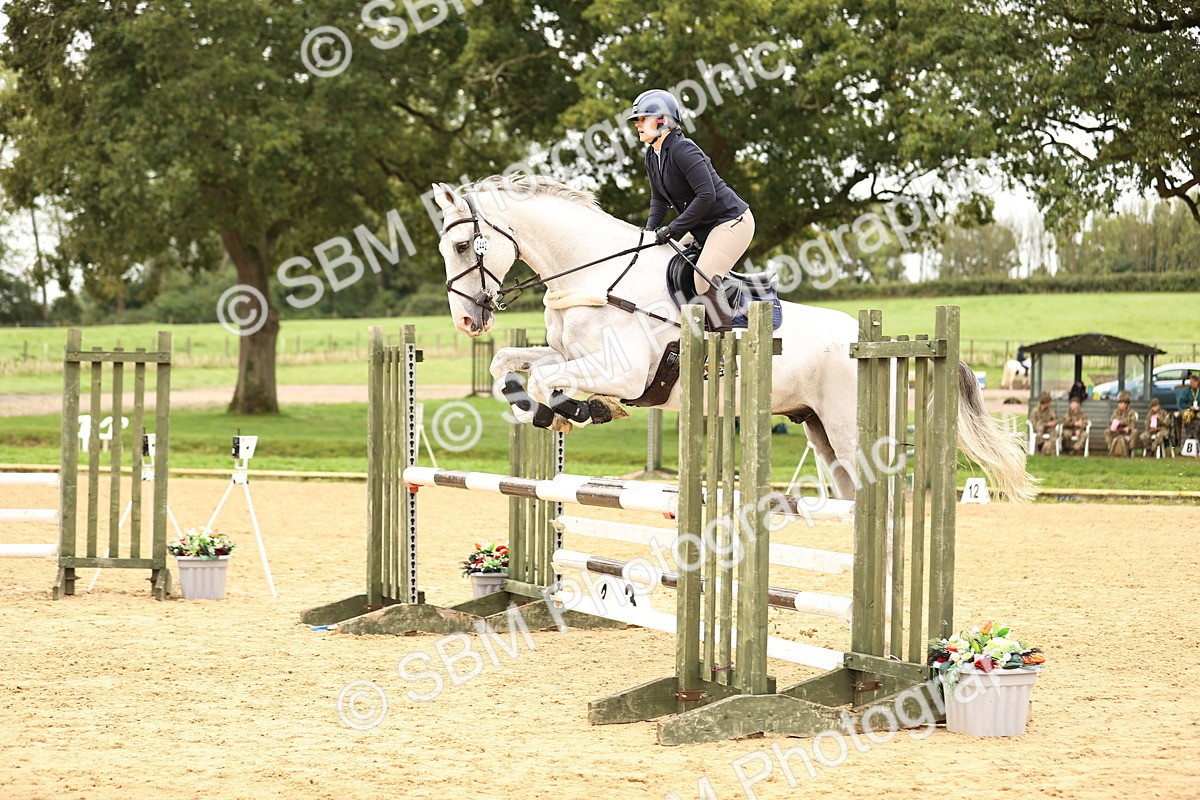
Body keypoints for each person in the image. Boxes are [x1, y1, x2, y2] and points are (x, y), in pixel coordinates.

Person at [630, 88, 754, 331]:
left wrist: (673, 229)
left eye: (643, 118)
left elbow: (706, 195)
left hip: (732, 222)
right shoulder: (652, 155)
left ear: (662, 120)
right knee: (666, 264)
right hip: (702, 228)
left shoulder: (683, 149)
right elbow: (658, 201)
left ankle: (723, 348)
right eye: (637, 120)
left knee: (703, 277)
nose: (638, 125)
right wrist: (648, 234)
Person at [1105, 390, 1137, 457]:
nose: (1119, 405)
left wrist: (1129, 428)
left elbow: (1133, 424)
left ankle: (1130, 450)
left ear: (1126, 404)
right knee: (1106, 431)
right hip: (1117, 430)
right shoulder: (1115, 412)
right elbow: (1111, 421)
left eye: (1121, 403)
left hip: (1127, 431)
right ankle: (1111, 448)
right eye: (1119, 403)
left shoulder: (1131, 413)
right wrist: (1113, 427)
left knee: (1134, 432)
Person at [1177, 372, 1200, 442]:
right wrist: (1189, 407)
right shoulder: (1186, 391)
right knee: (1186, 415)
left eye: (1193, 382)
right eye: (1191, 382)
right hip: (1189, 410)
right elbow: (1181, 403)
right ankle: (1188, 433)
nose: (1192, 384)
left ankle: (1197, 433)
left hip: (1199, 411)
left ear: (1197, 382)